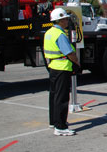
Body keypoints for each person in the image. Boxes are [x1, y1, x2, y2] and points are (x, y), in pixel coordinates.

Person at [44, 8, 80, 136]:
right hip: (62, 68)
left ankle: (53, 121)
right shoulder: (60, 35)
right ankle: (60, 126)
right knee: (62, 98)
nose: (67, 21)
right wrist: (77, 62)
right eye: (65, 19)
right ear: (60, 20)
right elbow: (69, 52)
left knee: (54, 96)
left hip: (53, 67)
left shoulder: (48, 33)